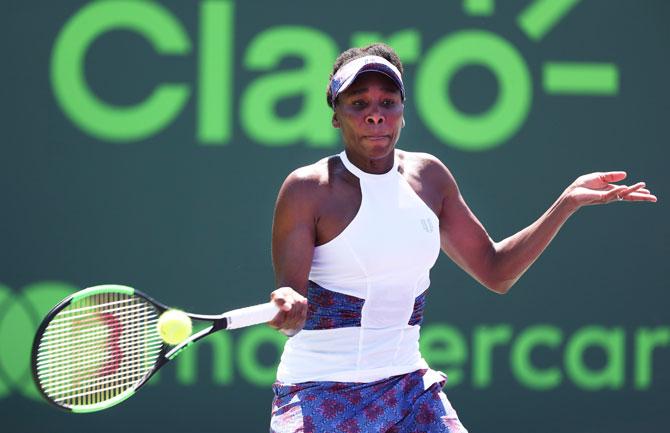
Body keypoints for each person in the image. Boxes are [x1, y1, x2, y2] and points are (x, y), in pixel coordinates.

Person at [266, 43, 657, 433]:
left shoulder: (430, 178)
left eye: (388, 102)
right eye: (358, 103)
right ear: (336, 116)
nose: (375, 116)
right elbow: (290, 301)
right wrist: (288, 307)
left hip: (408, 389)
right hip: (319, 390)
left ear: (403, 112)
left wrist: (567, 202)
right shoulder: (307, 189)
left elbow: (496, 271)